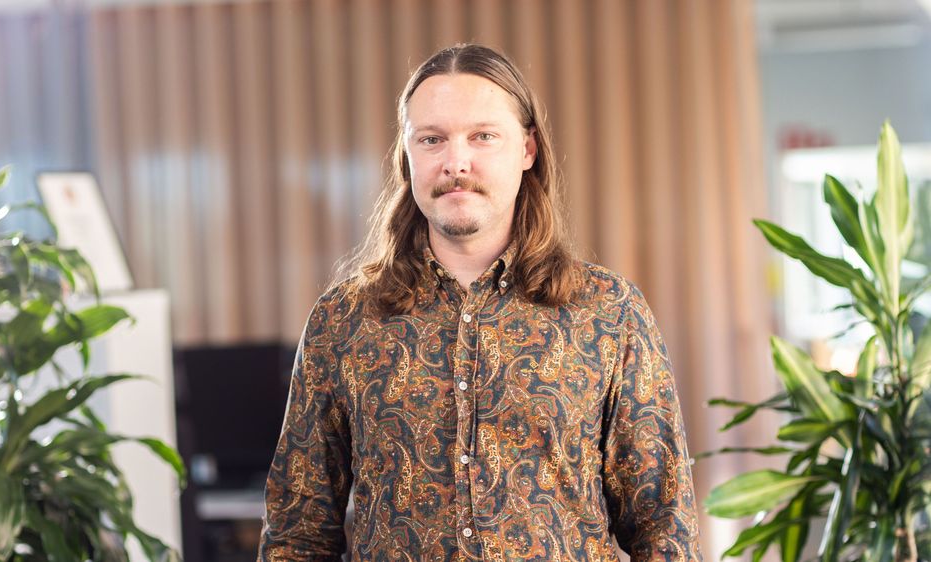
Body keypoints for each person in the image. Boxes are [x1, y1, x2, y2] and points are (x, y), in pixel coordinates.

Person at [258, 44, 702, 561]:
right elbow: (297, 534)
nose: (456, 162)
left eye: (482, 136)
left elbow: (664, 526)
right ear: (407, 155)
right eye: (432, 139)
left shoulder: (609, 311)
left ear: (527, 150)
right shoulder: (343, 320)